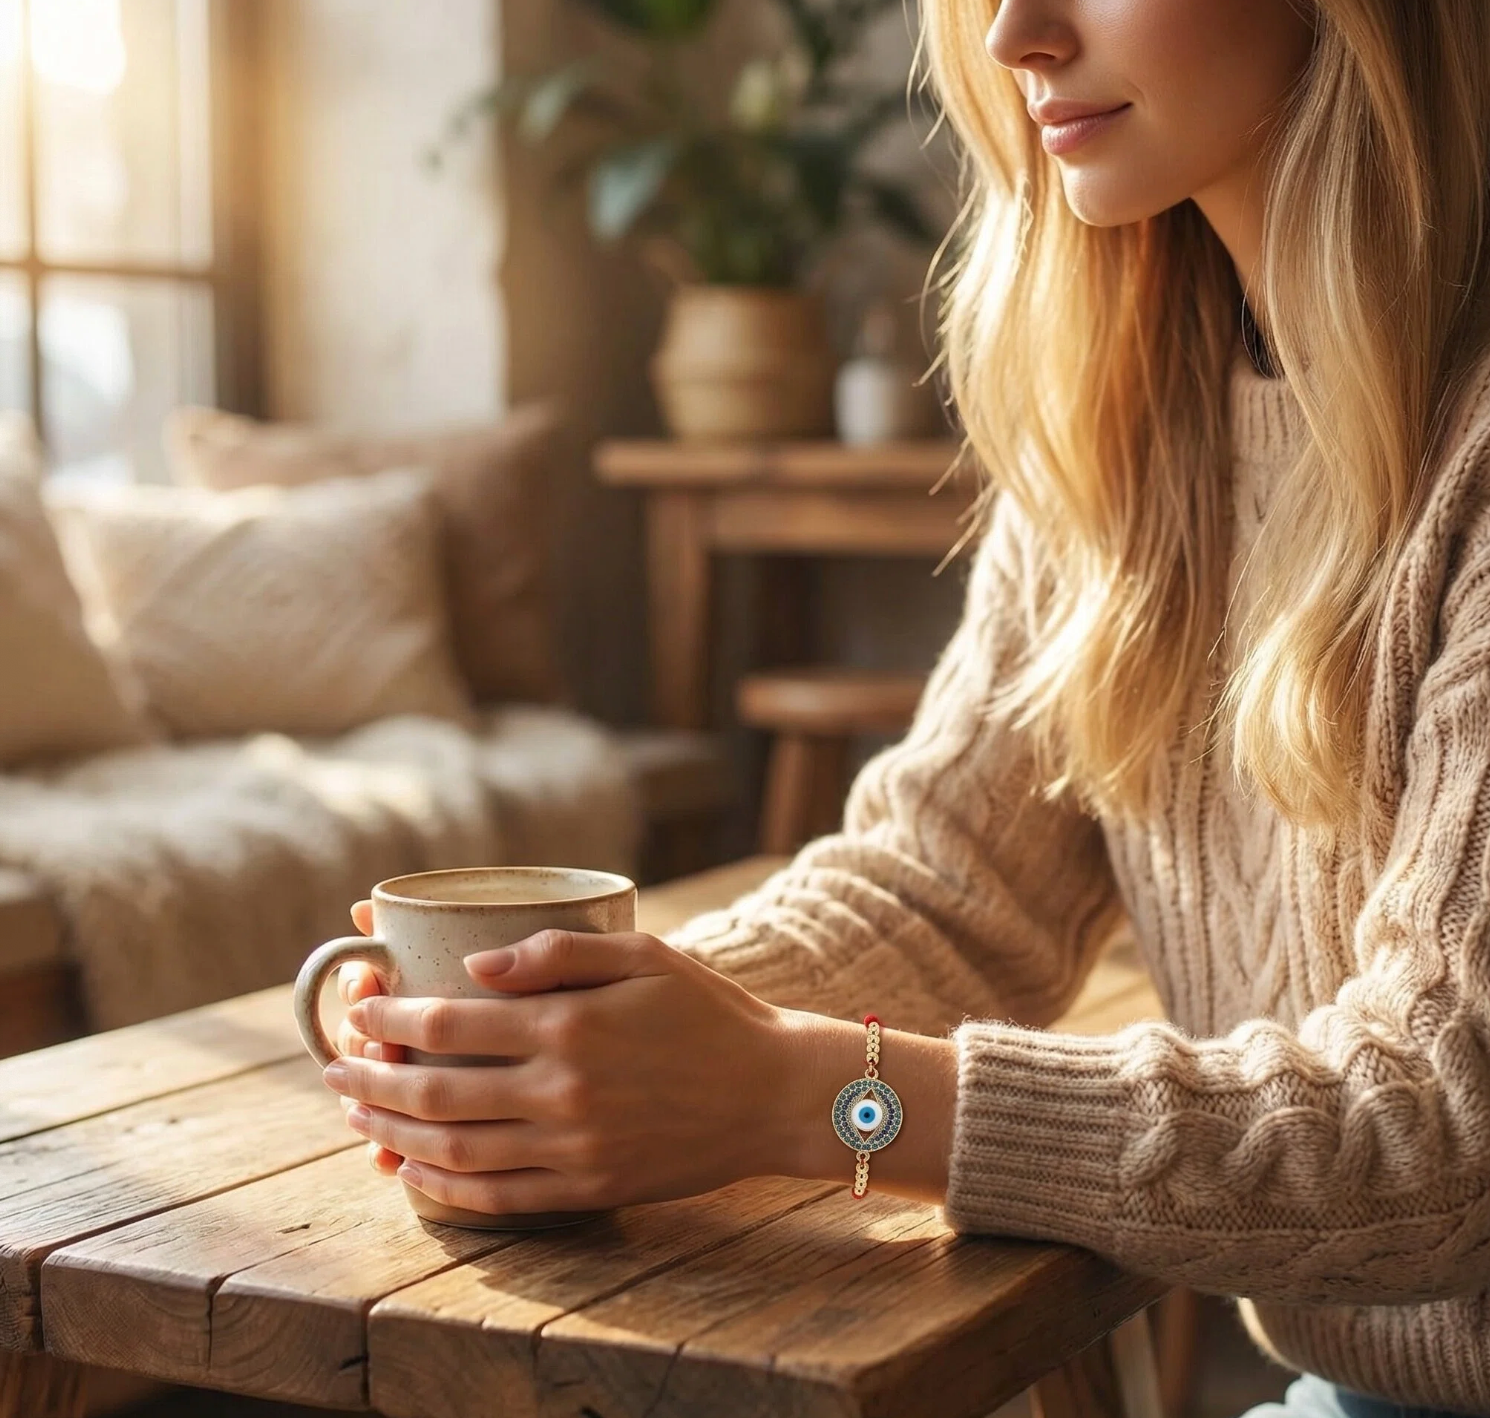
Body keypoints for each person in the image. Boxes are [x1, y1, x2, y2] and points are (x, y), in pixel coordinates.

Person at [320, 2, 1490, 1414]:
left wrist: (811, 1096)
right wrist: (571, 1029)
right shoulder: (1125, 407)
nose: (1013, 35)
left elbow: (1444, 1125)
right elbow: (948, 888)